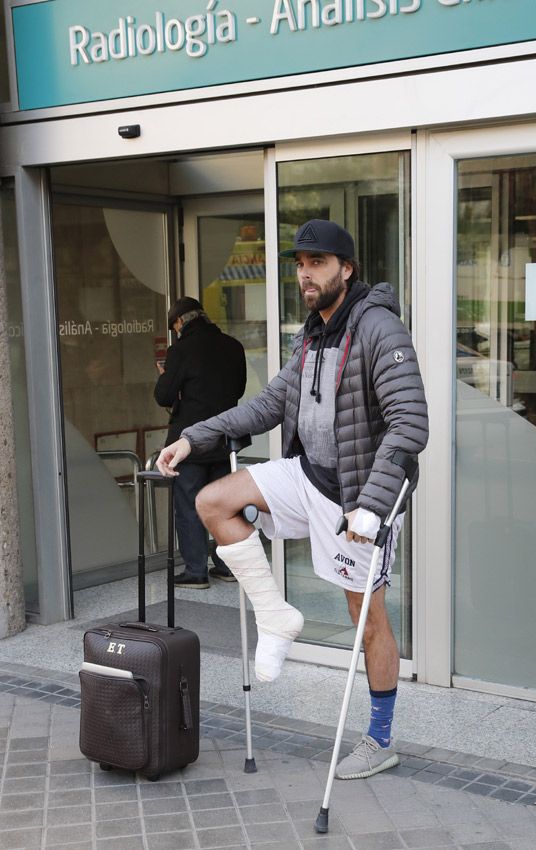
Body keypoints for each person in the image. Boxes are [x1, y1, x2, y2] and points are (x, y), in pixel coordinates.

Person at [157, 220, 428, 779]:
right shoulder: (310, 336)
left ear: (346, 269)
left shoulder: (380, 330)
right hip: (308, 476)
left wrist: (373, 507)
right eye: (300, 263)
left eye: (318, 262)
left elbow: (409, 425)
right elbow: (265, 406)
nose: (305, 273)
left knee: (366, 619)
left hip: (358, 494)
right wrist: (191, 438)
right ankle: (276, 616)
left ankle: (380, 739)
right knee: (213, 501)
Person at [154, 296, 246, 588]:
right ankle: (227, 565)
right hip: (225, 440)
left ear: (180, 323)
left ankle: (196, 570)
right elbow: (239, 388)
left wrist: (167, 376)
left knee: (190, 503)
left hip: (190, 443)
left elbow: (164, 396)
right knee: (224, 505)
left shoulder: (181, 350)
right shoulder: (233, 346)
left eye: (175, 326)